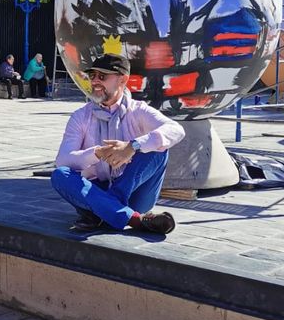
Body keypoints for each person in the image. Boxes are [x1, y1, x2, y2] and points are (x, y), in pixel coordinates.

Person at [51, 54, 185, 235]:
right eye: (92, 76)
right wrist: (97, 153)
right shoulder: (81, 116)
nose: (95, 81)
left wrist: (132, 147)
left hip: (133, 192)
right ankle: (135, 220)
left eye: (102, 76)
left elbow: (176, 130)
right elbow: (63, 160)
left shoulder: (138, 110)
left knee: (159, 149)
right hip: (95, 188)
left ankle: (103, 210)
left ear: (123, 80)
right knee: (60, 175)